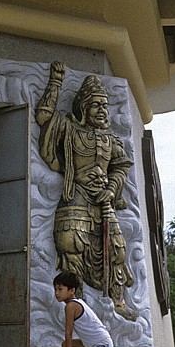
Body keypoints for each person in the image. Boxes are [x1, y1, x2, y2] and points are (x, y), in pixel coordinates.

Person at [35, 61, 135, 319]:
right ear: (83, 107)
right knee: (71, 244)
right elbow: (44, 117)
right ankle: (74, 300)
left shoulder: (109, 138)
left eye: (105, 105)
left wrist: (111, 190)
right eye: (96, 105)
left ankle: (117, 301)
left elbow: (121, 164)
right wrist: (56, 82)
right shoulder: (70, 129)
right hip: (75, 198)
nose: (102, 110)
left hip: (103, 202)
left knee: (117, 249)